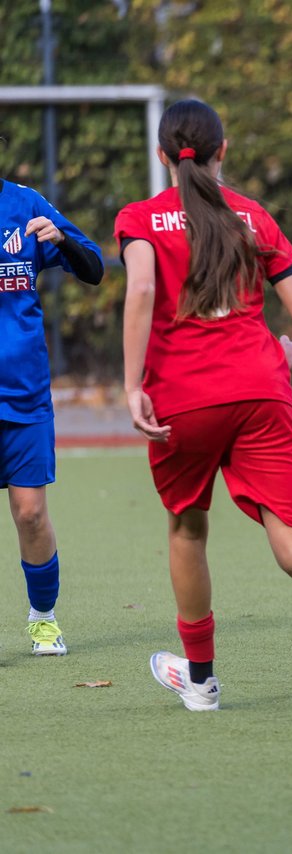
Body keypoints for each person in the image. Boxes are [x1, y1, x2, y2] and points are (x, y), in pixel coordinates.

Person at [114, 99, 292, 711]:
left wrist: (132, 383)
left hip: (183, 399)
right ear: (224, 152)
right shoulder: (253, 217)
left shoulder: (141, 218)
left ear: (162, 155)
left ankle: (202, 682)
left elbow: (140, 288)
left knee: (188, 530)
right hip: (263, 391)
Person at [1, 169, 104, 655]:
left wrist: (61, 237)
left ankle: (43, 620)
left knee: (31, 514)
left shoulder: (25, 205)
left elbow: (94, 267)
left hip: (23, 392)